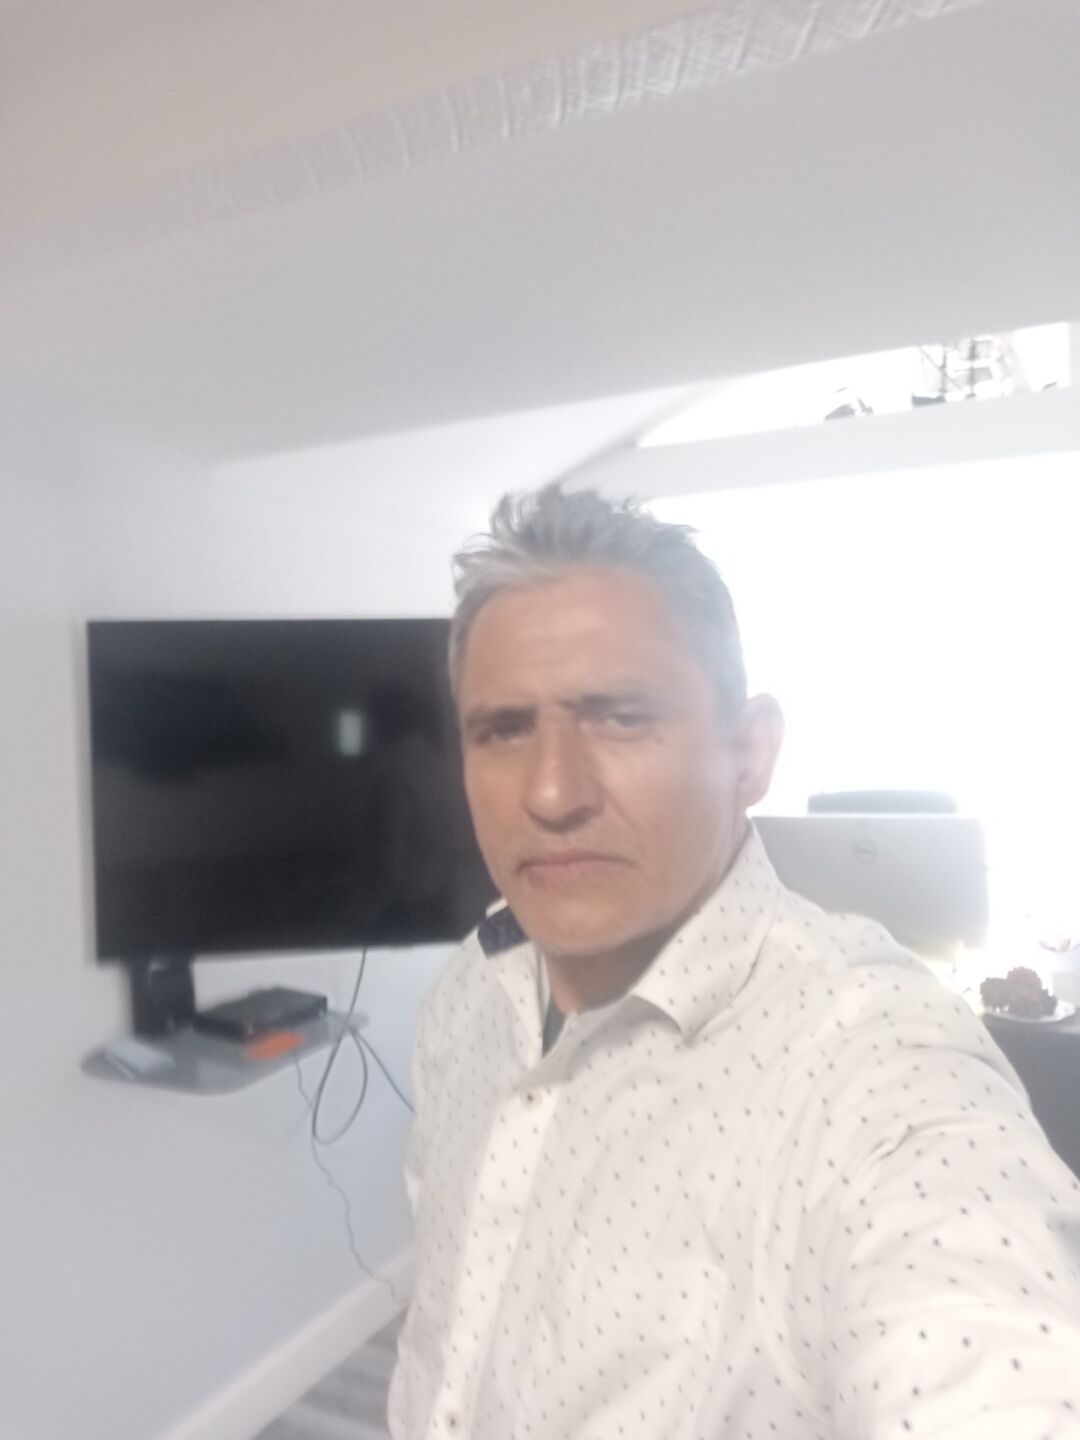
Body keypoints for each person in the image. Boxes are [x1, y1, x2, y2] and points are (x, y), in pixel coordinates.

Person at [388, 484, 1080, 1439]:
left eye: (620, 717)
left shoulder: (870, 1063)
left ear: (750, 755)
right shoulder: (475, 979)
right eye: (503, 729)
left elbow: (984, 1335)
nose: (549, 792)